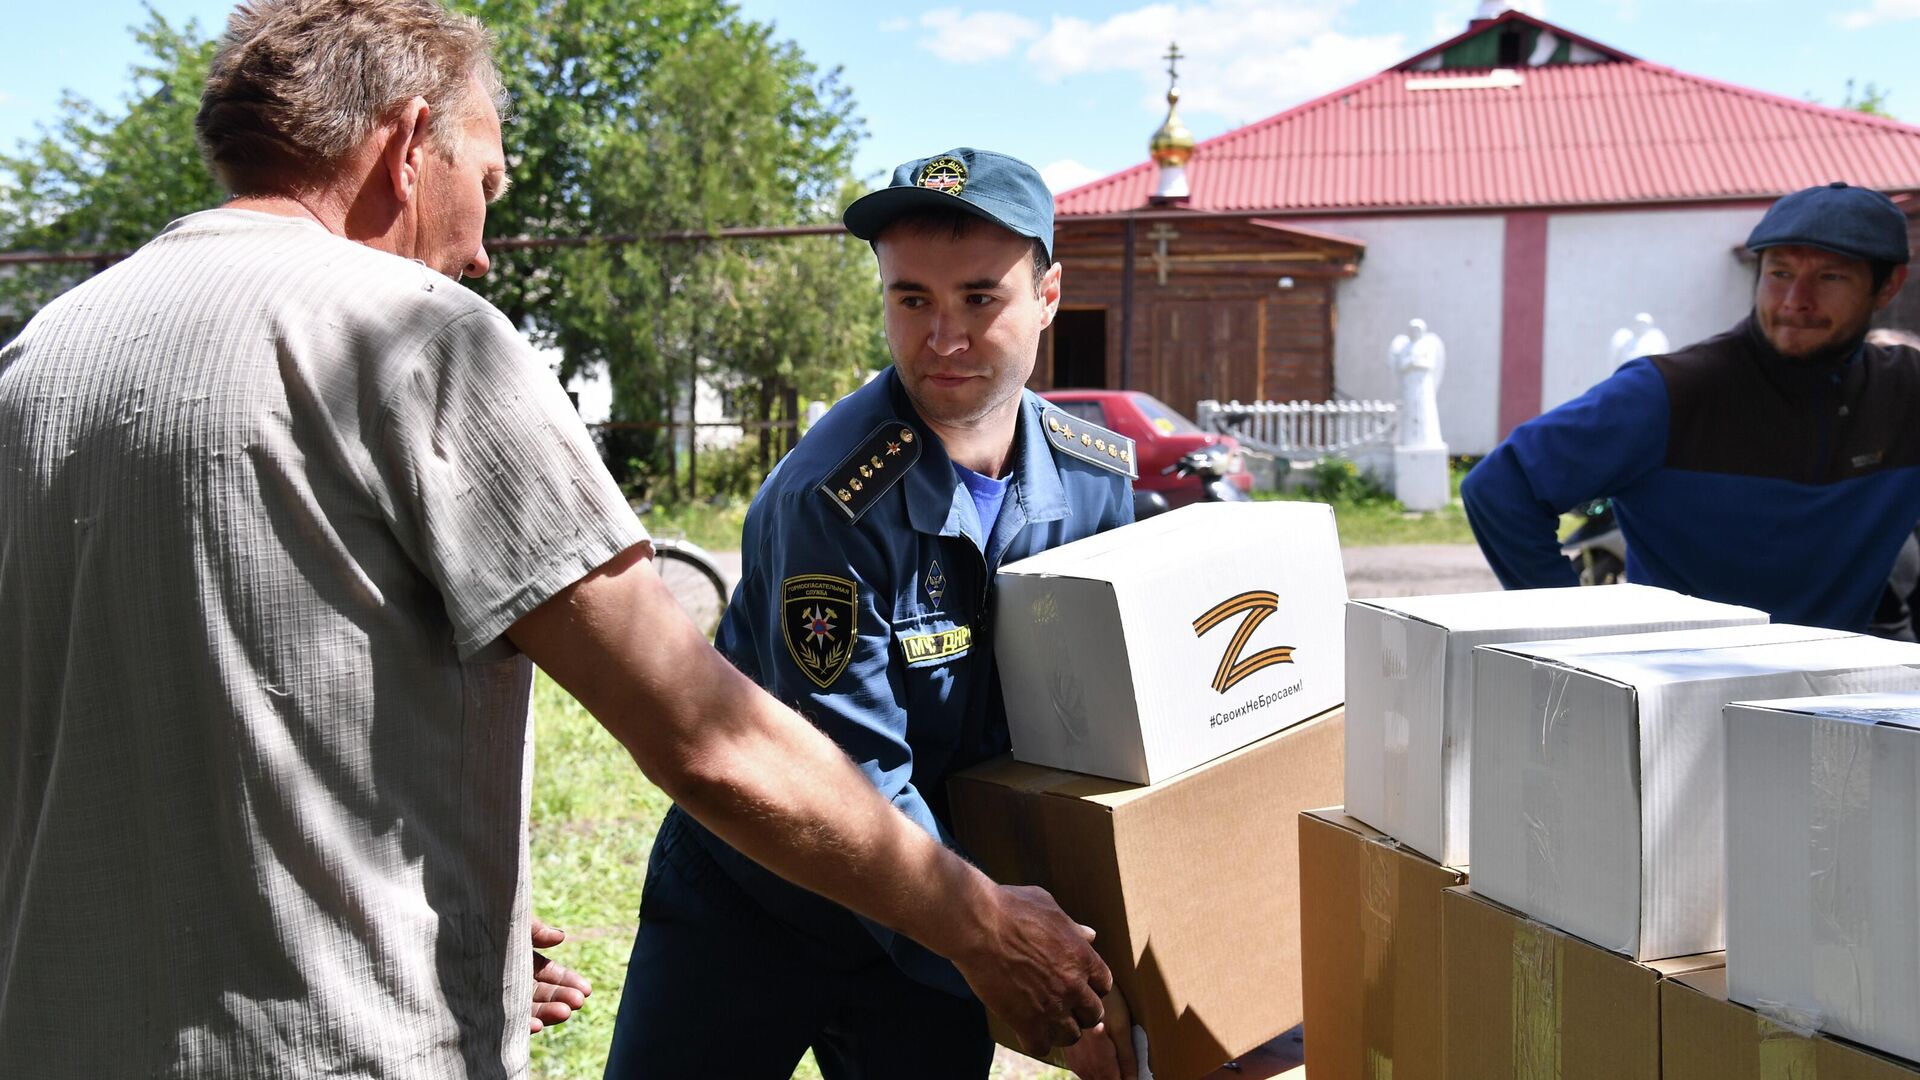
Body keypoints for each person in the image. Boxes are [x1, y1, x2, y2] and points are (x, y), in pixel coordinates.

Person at [0, 5, 1112, 1076]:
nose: (484, 250)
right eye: (486, 182)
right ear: (403, 151)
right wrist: (984, 927)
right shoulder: (414, 340)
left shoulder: (41, 357)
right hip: (336, 1042)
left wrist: (436, 900)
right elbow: (704, 735)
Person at [603, 149, 1139, 1080]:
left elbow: (1099, 733)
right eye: (912, 300)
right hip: (760, 900)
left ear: (1049, 295)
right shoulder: (833, 498)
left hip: (941, 903)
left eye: (981, 299)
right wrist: (998, 949)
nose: (944, 338)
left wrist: (1091, 948)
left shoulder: (1095, 478)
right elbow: (853, 774)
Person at [1463, 181, 1920, 633]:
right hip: (1685, 691)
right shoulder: (1671, 391)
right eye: (1780, 273)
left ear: (1887, 287)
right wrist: (1580, 635)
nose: (1795, 300)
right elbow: (1498, 488)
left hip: (1836, 693)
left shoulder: (1906, 390)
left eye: (1830, 277)